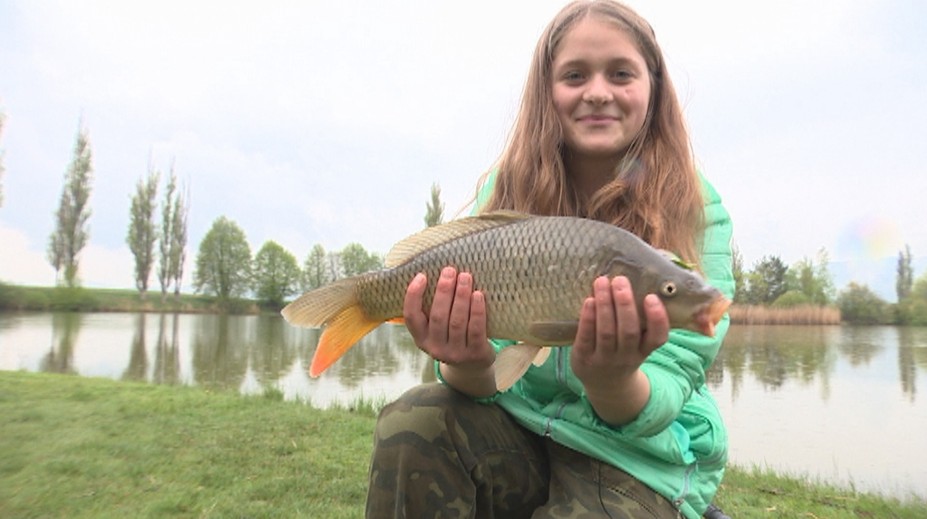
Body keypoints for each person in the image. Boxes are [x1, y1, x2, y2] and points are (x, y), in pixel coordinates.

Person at [366, 1, 734, 518]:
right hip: (515, 428)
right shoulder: (506, 190)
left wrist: (611, 378)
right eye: (575, 75)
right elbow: (485, 380)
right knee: (413, 420)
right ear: (547, 91)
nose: (598, 91)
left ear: (653, 86)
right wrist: (467, 363)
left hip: (635, 458)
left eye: (621, 73)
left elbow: (678, 374)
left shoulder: (696, 207)